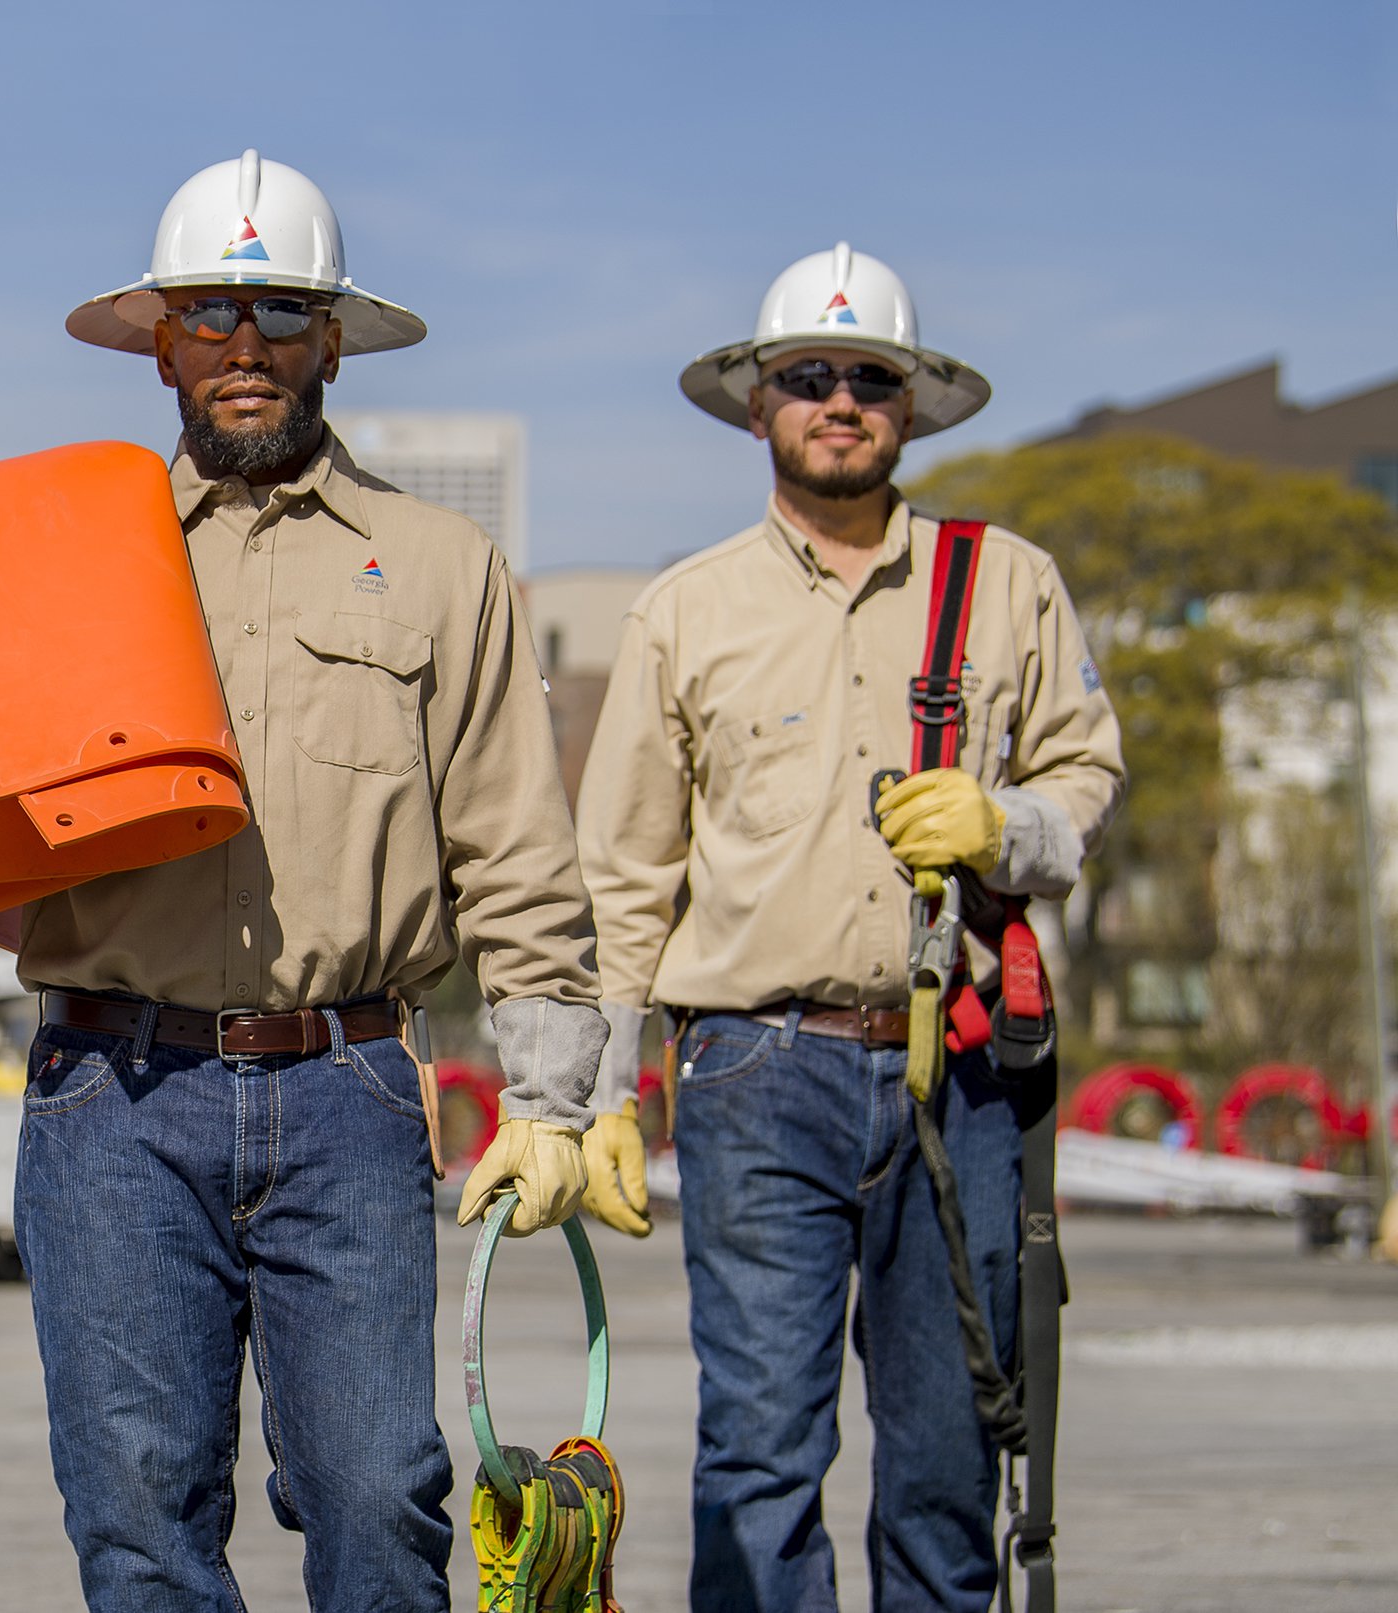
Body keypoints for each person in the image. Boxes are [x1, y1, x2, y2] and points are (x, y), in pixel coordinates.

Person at [15, 149, 615, 1613]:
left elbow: (519, 844)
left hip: (345, 1092)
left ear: (334, 338)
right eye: (211, 315)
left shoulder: (441, 566)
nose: (244, 349)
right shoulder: (72, 563)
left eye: (279, 313)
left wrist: (551, 1098)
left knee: (379, 1496)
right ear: (160, 338)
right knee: (138, 1515)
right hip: (111, 1096)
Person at [578, 243, 1125, 1611]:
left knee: (945, 1477)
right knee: (758, 1464)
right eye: (807, 376)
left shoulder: (1006, 583)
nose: (839, 399)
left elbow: (1087, 776)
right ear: (759, 405)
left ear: (911, 405)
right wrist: (599, 1094)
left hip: (964, 1076)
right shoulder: (685, 610)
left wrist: (1010, 828)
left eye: (868, 377)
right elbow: (627, 867)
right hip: (757, 1073)